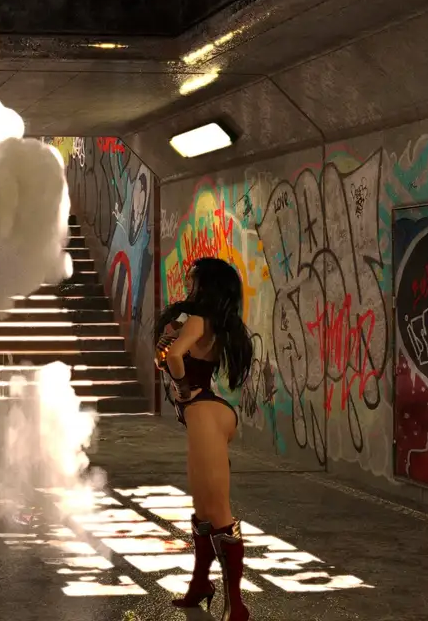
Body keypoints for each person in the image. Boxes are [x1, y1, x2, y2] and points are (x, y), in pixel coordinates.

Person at [153, 257, 254, 621]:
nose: (189, 287)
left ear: (206, 286)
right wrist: (165, 348)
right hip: (204, 415)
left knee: (218, 511)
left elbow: (176, 359)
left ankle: (236, 605)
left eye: (194, 281)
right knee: (203, 510)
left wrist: (182, 390)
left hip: (204, 413)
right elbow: (167, 357)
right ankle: (200, 585)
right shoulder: (202, 322)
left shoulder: (197, 320)